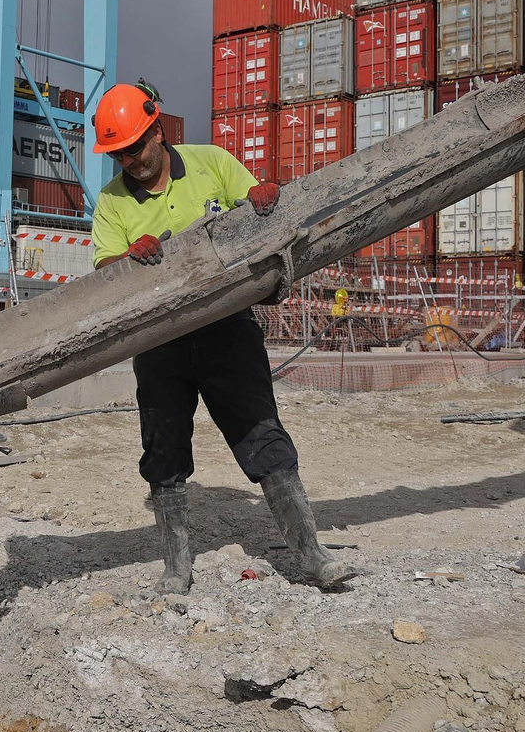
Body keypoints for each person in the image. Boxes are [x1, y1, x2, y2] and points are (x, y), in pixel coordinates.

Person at [89, 82, 357, 593]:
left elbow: (258, 208)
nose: (129, 161)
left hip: (227, 330)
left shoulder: (210, 162)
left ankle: (312, 555)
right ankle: (176, 568)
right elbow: (104, 271)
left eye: (135, 147)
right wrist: (127, 258)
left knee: (264, 436)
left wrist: (263, 197)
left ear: (157, 130)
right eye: (118, 154)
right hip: (159, 342)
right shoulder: (112, 202)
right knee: (163, 451)